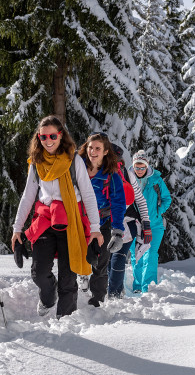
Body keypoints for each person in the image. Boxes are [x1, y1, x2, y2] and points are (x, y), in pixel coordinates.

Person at [11, 116, 103, 318]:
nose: (48, 140)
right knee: (39, 272)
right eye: (43, 136)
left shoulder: (73, 160)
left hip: (70, 220)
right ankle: (47, 294)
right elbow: (28, 195)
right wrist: (17, 228)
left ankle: (65, 321)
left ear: (61, 136)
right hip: (45, 220)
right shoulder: (36, 162)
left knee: (68, 278)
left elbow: (87, 194)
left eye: (53, 135)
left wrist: (95, 228)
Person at [78, 132, 127, 307]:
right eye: (90, 147)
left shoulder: (111, 175)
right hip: (80, 222)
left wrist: (118, 231)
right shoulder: (77, 167)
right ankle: (81, 279)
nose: (93, 151)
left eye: (98, 148)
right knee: (77, 257)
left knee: (100, 262)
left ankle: (96, 303)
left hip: (102, 222)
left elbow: (118, 203)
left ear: (106, 151)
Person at [107, 147, 152, 299]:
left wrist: (146, 223)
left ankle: (113, 294)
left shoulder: (127, 174)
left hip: (128, 222)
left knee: (117, 255)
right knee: (110, 258)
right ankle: (116, 290)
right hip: (110, 223)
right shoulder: (99, 174)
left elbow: (140, 200)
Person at [130, 150, 172, 293]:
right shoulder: (127, 178)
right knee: (137, 256)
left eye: (143, 167)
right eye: (137, 167)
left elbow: (167, 198)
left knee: (151, 255)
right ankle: (137, 286)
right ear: (133, 166)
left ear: (147, 166)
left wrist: (157, 212)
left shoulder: (156, 180)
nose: (140, 170)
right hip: (134, 225)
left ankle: (148, 288)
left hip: (154, 224)